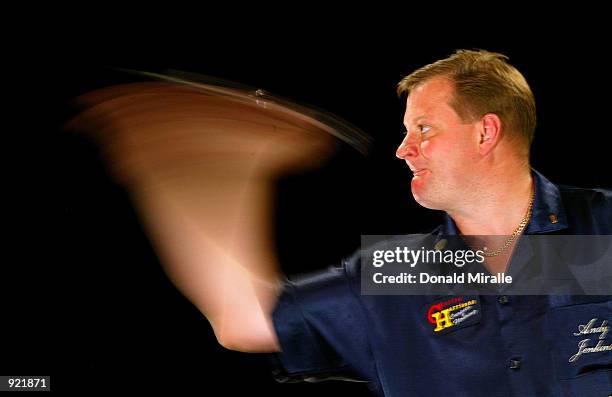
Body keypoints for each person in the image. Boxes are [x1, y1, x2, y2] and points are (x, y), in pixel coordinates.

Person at [70, 50, 612, 396]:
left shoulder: (603, 227)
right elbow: (243, 321)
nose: (403, 150)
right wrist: (208, 173)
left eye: (423, 128)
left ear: (485, 132)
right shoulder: (400, 272)